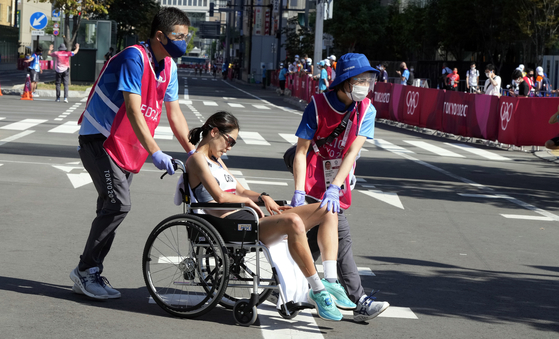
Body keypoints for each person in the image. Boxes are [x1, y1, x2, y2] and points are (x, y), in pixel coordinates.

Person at [70, 7, 195, 301]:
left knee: (111, 209)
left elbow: (175, 115)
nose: (184, 42)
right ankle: (85, 271)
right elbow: (133, 108)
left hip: (127, 145)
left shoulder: (170, 67)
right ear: (161, 35)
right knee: (118, 205)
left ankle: (90, 272)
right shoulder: (133, 57)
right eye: (180, 36)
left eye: (187, 36)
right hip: (99, 139)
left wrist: (194, 152)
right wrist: (156, 152)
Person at [186, 112, 353, 321]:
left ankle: (330, 280)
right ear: (214, 132)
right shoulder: (197, 160)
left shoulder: (217, 161)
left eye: (233, 144)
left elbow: (242, 191)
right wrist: (247, 203)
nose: (229, 147)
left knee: (328, 209)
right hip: (229, 223)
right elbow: (220, 197)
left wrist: (264, 197)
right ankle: (318, 291)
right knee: (293, 221)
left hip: (247, 217)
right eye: (229, 141)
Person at [291, 53, 390, 322]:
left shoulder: (367, 109)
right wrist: (299, 192)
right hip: (312, 177)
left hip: (337, 182)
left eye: (368, 79)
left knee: (313, 240)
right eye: (360, 80)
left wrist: (336, 186)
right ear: (344, 82)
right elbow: (301, 151)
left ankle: (297, 286)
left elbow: (352, 153)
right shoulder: (318, 104)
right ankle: (357, 301)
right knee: (339, 237)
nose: (365, 85)